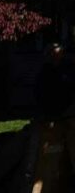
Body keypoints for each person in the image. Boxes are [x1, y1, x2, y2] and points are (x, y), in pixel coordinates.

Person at [34, 43, 75, 177]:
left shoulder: (67, 70)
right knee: (53, 150)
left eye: (59, 54)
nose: (57, 56)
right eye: (54, 54)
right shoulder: (46, 73)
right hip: (54, 116)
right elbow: (41, 95)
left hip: (66, 114)